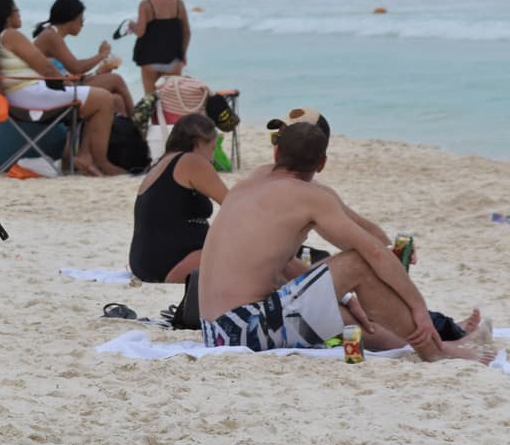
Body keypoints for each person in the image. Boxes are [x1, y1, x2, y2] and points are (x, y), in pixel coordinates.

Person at [197, 120, 488, 362]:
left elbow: (280, 264)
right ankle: (435, 350)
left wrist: (345, 296)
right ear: (322, 164)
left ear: (276, 153)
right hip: (243, 328)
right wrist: (419, 308)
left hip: (216, 331)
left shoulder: (251, 183)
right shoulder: (309, 196)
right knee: (357, 263)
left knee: (347, 317)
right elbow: (373, 252)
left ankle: (430, 341)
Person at [0, 0, 124, 176]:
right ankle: (101, 162)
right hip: (29, 96)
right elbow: (46, 68)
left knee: (92, 97)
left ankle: (82, 157)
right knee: (104, 99)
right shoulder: (12, 35)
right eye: (16, 10)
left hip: (16, 96)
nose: (20, 14)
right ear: (8, 17)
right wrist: (67, 84)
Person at [128, 114, 228, 283]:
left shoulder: (163, 163)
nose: (212, 159)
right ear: (199, 141)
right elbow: (232, 204)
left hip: (145, 263)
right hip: (172, 262)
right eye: (212, 149)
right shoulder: (191, 161)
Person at [32, 0, 133, 117]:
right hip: (54, 92)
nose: (82, 25)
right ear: (71, 18)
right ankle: (138, 123)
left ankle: (130, 126)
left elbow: (69, 75)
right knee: (116, 80)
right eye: (81, 20)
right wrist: (102, 55)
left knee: (117, 99)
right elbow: (76, 68)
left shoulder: (52, 34)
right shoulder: (51, 36)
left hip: (61, 86)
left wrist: (98, 72)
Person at [130, 0, 190, 97]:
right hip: (173, 61)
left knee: (150, 100)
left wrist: (132, 26)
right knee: (170, 101)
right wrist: (183, 54)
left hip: (149, 60)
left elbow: (140, 32)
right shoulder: (178, 3)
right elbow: (186, 32)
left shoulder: (146, 4)